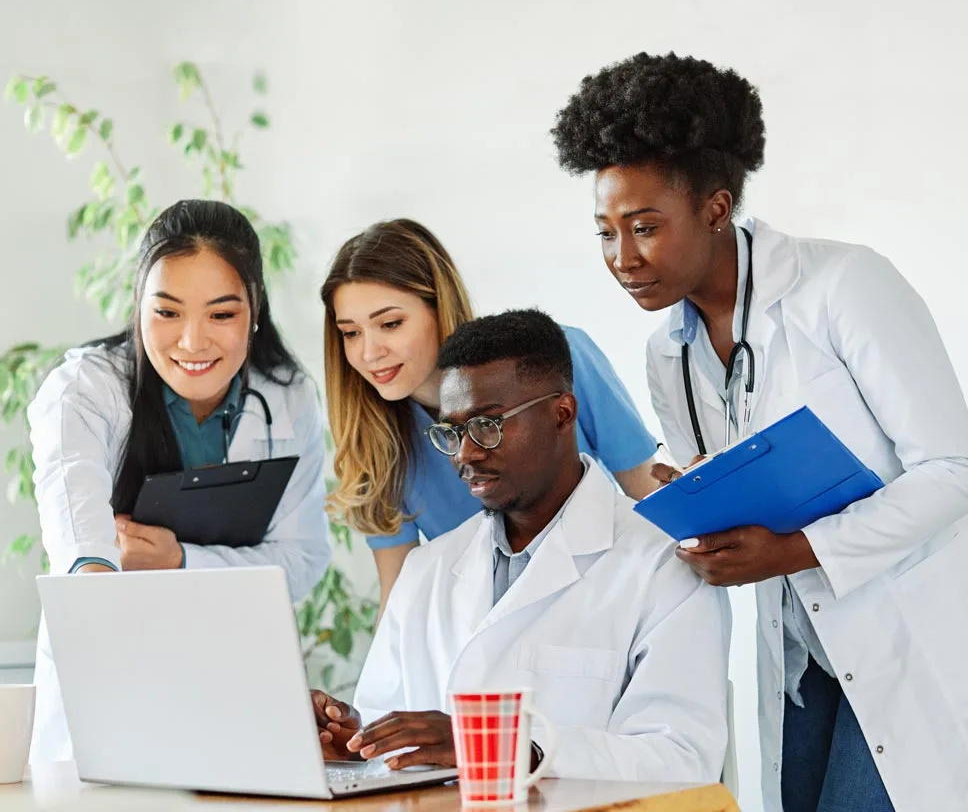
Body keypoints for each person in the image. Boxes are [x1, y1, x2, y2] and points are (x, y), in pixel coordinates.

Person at [551, 52, 968, 812]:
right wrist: (698, 507)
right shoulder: (667, 353)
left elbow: (953, 467)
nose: (623, 259)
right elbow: (728, 482)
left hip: (904, 633)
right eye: (606, 232)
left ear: (715, 208)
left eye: (645, 227)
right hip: (801, 657)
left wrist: (797, 549)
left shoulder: (844, 286)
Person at [310, 310, 730, 783]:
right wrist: (351, 741)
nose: (466, 453)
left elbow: (681, 758)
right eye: (451, 433)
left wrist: (498, 744)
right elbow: (388, 738)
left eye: (487, 425)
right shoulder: (428, 569)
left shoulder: (661, 563)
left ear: (562, 414)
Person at [28, 199, 331, 763]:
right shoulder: (86, 391)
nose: (192, 342)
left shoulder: (289, 397)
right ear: (139, 307)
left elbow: (304, 560)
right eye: (167, 312)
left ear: (255, 310)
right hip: (109, 675)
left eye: (221, 314)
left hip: (236, 675)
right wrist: (97, 568)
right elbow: (80, 544)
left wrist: (179, 561)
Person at [321, 218, 659, 613]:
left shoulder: (556, 359)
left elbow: (649, 498)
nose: (368, 353)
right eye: (351, 333)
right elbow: (399, 599)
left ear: (438, 307)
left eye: (390, 324)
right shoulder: (376, 442)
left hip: (607, 601)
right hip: (490, 628)